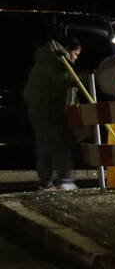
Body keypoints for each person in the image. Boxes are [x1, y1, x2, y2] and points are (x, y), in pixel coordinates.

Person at [23, 36, 82, 190]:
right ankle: (63, 181)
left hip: (38, 106)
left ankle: (46, 181)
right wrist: (82, 79)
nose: (75, 59)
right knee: (59, 144)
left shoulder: (47, 57)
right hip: (47, 108)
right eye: (76, 55)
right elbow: (63, 83)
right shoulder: (57, 61)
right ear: (69, 50)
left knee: (44, 144)